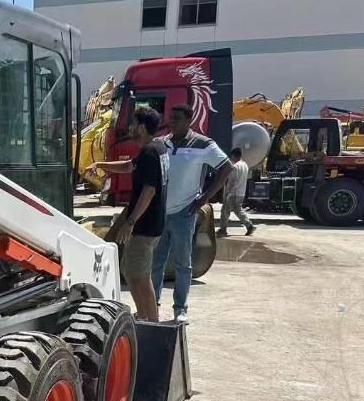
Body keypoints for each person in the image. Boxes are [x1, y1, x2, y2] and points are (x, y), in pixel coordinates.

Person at [152, 105, 233, 324]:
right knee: (156, 262)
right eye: (171, 118)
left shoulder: (204, 144)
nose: (172, 122)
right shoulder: (162, 143)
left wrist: (204, 198)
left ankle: (180, 308)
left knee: (183, 263)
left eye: (177, 118)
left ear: (190, 119)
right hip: (161, 212)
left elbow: (226, 167)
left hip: (184, 214)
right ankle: (152, 306)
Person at [86, 106, 169, 322]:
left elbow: (149, 190)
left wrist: (130, 221)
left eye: (133, 124)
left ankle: (150, 321)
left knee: (137, 275)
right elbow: (128, 166)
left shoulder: (151, 152)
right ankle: (146, 316)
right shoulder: (157, 148)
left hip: (145, 225)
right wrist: (101, 164)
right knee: (135, 272)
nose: (130, 128)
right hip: (151, 223)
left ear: (141, 127)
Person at [218, 148, 256, 237]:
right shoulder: (245, 165)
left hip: (233, 193)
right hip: (241, 193)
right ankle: (249, 225)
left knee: (225, 211)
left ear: (234, 156)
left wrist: (227, 193)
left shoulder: (235, 166)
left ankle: (223, 230)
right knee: (238, 210)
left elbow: (232, 181)